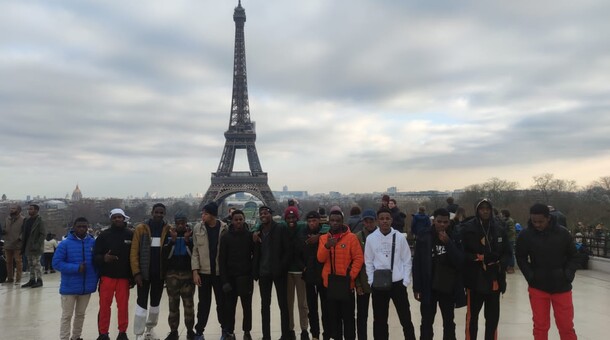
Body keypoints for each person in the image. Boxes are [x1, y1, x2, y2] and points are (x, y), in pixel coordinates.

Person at [516, 203, 579, 340]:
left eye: (540, 221)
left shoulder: (563, 233)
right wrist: (530, 276)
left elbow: (574, 256)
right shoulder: (525, 235)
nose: (537, 224)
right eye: (534, 221)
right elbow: (520, 257)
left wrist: (568, 274)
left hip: (562, 287)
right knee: (540, 326)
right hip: (538, 287)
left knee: (566, 326)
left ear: (548, 218)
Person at [461, 199, 512, 340]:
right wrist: (477, 257)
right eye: (482, 208)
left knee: (492, 318)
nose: (485, 211)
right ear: (477, 210)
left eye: (487, 208)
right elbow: (461, 252)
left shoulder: (500, 228)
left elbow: (508, 252)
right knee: (472, 317)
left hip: (494, 278)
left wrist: (501, 263)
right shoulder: (467, 228)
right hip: (475, 279)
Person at [412, 208, 465, 340]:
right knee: (426, 322)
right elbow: (417, 262)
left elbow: (460, 261)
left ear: (449, 222)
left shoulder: (454, 235)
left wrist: (448, 243)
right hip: (428, 285)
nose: (442, 224)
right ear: (433, 221)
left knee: (448, 321)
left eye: (445, 222)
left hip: (447, 286)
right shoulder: (424, 235)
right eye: (439, 221)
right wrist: (416, 287)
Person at [364, 207, 416, 340]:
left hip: (398, 283)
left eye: (387, 218)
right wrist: (371, 281)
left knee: (406, 319)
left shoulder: (399, 237)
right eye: (381, 219)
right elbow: (368, 262)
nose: (385, 221)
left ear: (391, 220)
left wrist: (405, 281)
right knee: (380, 321)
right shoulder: (371, 239)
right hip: (379, 284)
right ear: (377, 221)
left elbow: (407, 260)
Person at [317, 208, 363, 340]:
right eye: (332, 220)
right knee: (334, 319)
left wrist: (351, 276)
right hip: (330, 284)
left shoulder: (352, 238)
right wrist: (327, 246)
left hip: (346, 284)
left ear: (342, 221)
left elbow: (358, 258)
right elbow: (320, 259)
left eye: (337, 220)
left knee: (348, 318)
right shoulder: (323, 238)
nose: (335, 223)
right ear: (328, 221)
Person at [131, 203, 171, 340]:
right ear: (152, 212)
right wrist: (136, 273)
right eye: (157, 212)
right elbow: (134, 252)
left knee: (155, 304)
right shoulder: (140, 229)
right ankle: (138, 333)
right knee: (141, 304)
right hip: (144, 274)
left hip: (158, 275)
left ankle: (149, 329)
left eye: (161, 212)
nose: (159, 215)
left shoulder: (168, 230)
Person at [53, 217, 98, 340]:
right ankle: (64, 338)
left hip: (86, 286)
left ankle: (76, 337)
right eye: (79, 226)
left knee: (80, 314)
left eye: (84, 226)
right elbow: (56, 263)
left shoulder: (93, 243)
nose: (82, 229)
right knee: (67, 315)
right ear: (74, 227)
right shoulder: (65, 244)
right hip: (69, 286)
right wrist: (76, 268)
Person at [94, 208, 134, 340]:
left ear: (124, 218)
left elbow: (135, 257)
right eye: (115, 217)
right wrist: (104, 258)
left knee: (123, 307)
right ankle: (103, 333)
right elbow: (95, 256)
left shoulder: (130, 235)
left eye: (120, 217)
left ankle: (122, 332)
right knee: (104, 306)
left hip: (123, 277)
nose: (117, 219)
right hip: (107, 276)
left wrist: (132, 277)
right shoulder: (104, 235)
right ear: (111, 219)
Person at [252, 206, 291, 340]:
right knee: (265, 306)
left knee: (283, 305)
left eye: (266, 213)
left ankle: (285, 335)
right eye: (261, 213)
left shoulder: (280, 228)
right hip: (264, 273)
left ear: (271, 214)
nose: (263, 215)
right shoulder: (258, 232)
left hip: (278, 272)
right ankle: (266, 336)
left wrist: (281, 268)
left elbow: (288, 251)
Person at [192, 202, 229, 340]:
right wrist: (195, 271)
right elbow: (195, 251)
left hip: (220, 273)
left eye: (205, 213)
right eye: (203, 213)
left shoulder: (225, 228)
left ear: (212, 215)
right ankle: (199, 331)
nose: (203, 215)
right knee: (203, 304)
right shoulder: (198, 228)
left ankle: (224, 329)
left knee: (222, 304)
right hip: (204, 273)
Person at [219, 209, 254, 340]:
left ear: (244, 220)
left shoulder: (250, 236)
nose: (238, 222)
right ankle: (230, 331)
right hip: (231, 278)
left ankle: (246, 331)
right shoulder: (226, 237)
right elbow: (221, 260)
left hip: (245, 277)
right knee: (230, 308)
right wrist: (225, 281)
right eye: (236, 219)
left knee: (247, 307)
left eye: (240, 219)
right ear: (232, 221)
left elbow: (254, 256)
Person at [162, 213, 195, 340]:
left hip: (187, 274)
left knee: (189, 305)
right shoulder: (170, 237)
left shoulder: (191, 237)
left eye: (183, 223)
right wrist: (173, 242)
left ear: (186, 222)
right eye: (178, 223)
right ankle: (174, 330)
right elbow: (165, 256)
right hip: (172, 275)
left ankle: (190, 330)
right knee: (173, 305)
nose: (181, 225)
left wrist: (187, 242)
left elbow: (194, 255)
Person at [283, 206, 310, 340]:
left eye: (293, 217)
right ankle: (290, 329)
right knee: (289, 303)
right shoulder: (282, 227)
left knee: (302, 304)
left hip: (300, 271)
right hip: (288, 271)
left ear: (297, 218)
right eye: (289, 217)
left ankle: (304, 329)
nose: (291, 220)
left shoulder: (303, 227)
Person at [302, 211, 329, 340]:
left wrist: (319, 236)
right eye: (310, 221)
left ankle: (326, 333)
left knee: (325, 307)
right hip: (310, 275)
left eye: (314, 221)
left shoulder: (325, 233)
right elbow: (297, 250)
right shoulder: (303, 233)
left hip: (323, 275)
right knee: (312, 308)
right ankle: (315, 334)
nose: (312, 223)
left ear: (319, 221)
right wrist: (303, 267)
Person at [353, 208, 377, 340]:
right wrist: (357, 284)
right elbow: (355, 262)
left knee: (379, 316)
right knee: (362, 315)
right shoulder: (357, 237)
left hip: (379, 281)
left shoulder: (381, 235)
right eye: (366, 221)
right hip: (363, 280)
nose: (369, 224)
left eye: (371, 221)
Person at [21, 203, 46, 288]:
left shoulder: (40, 220)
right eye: (29, 209)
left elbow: (43, 234)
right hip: (28, 245)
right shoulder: (27, 221)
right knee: (30, 264)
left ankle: (39, 280)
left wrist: (37, 244)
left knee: (36, 264)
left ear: (36, 210)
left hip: (35, 246)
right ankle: (32, 280)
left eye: (31, 209)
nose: (29, 210)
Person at [3, 204, 24, 285]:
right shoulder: (7, 219)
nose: (11, 210)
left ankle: (18, 279)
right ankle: (10, 278)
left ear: (18, 210)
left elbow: (24, 231)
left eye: (14, 208)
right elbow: (5, 228)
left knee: (18, 261)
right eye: (11, 208)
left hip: (17, 244)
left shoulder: (23, 219)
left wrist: (20, 238)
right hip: (8, 243)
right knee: (8, 262)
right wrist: (4, 232)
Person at [500, 209, 517, 274]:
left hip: (510, 239)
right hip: (507, 240)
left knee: (510, 253)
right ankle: (507, 266)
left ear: (504, 214)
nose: (500, 215)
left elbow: (512, 231)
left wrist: (505, 236)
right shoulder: (505, 220)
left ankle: (511, 267)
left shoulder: (510, 221)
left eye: (501, 213)